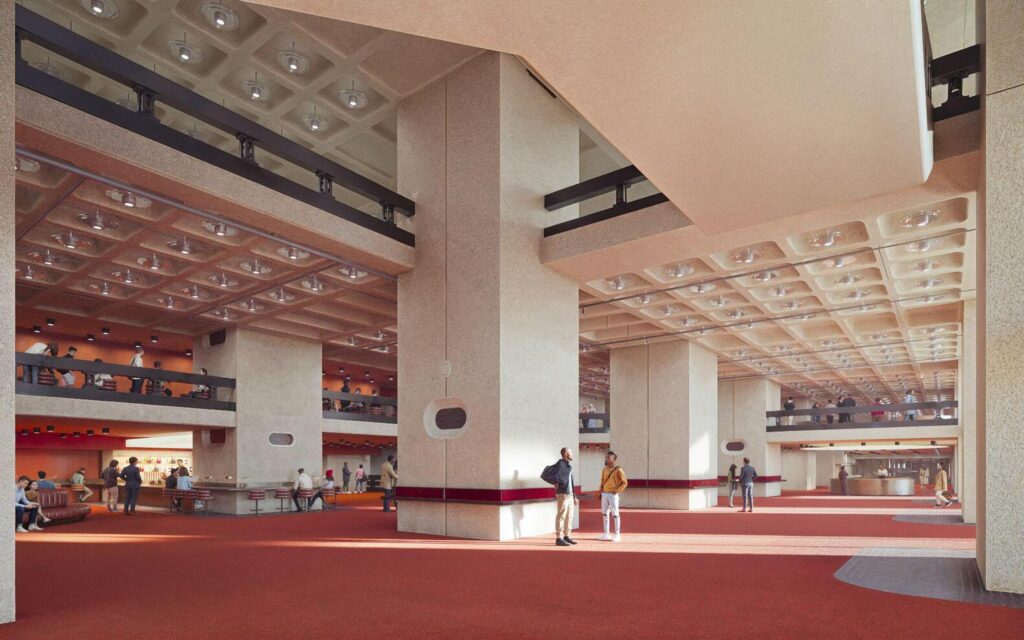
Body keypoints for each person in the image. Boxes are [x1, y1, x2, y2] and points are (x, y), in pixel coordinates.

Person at [597, 450, 628, 541]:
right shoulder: (604, 469)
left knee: (615, 514)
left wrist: (617, 491)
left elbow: (624, 483)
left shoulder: (619, 470)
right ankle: (606, 533)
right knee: (604, 513)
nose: (606, 459)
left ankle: (617, 534)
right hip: (605, 494)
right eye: (606, 457)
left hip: (613, 495)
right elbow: (602, 480)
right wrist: (600, 491)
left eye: (608, 458)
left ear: (613, 460)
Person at [550, 447, 577, 546]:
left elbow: (571, 481)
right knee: (561, 515)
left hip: (569, 494)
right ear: (566, 454)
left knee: (569, 516)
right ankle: (558, 538)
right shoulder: (560, 465)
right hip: (563, 494)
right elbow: (556, 477)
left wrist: (574, 496)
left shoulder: (568, 466)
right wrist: (556, 483)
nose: (572, 454)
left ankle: (567, 536)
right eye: (571, 452)